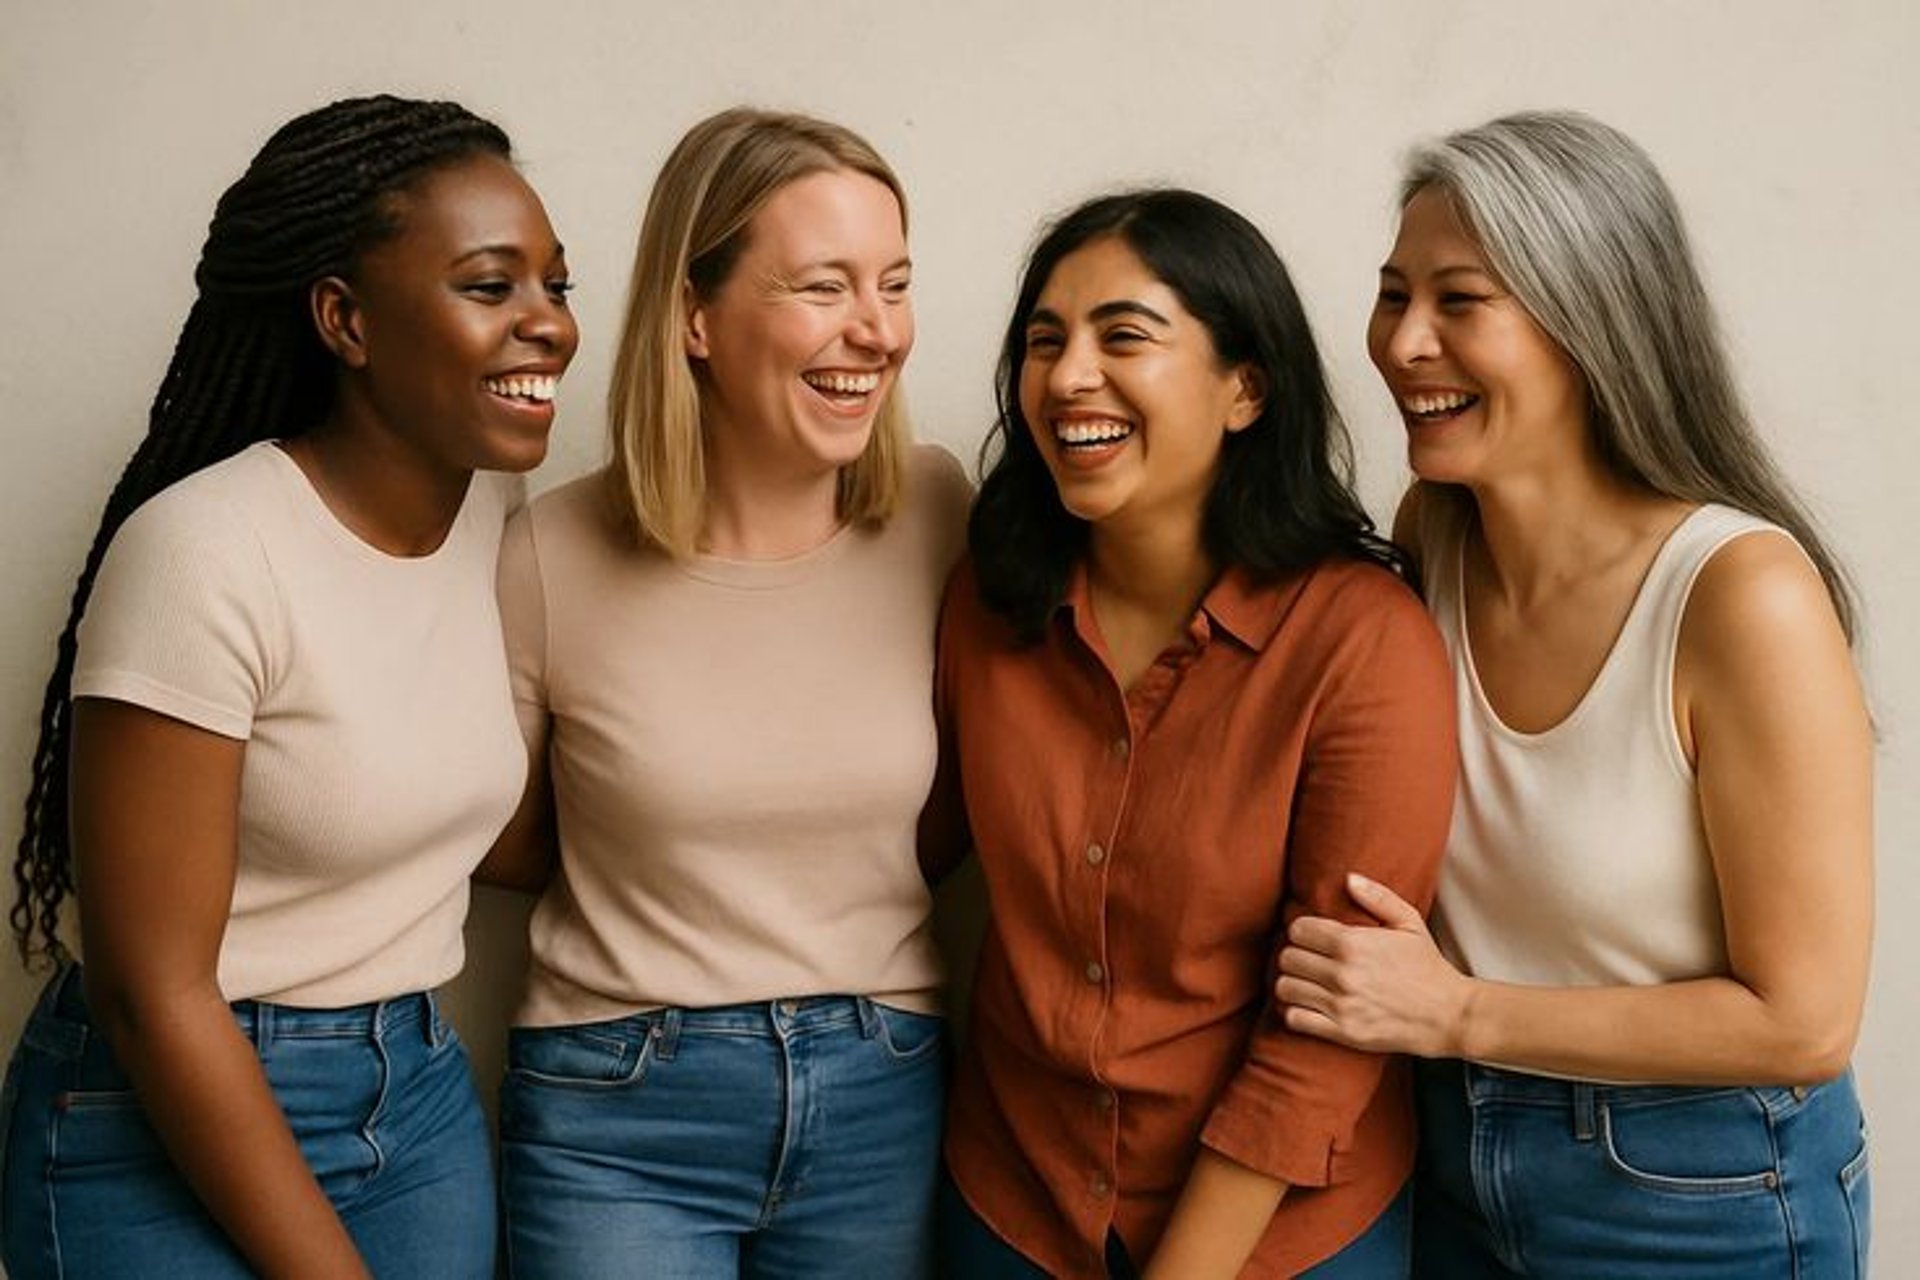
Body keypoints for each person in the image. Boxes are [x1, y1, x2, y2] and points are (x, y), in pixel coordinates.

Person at [1276, 110, 1873, 1276]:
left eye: (1460, 301)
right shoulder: (1432, 537)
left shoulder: (1741, 594)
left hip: (1698, 1188)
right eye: (1394, 294)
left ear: (1589, 323)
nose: (1403, 342)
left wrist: (1455, 1014)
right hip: (1450, 1147)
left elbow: (1802, 1017)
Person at [0, 95, 578, 1279]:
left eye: (555, 287)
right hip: (158, 1101)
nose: (549, 326)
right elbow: (151, 986)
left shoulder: (488, 507)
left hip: (410, 1090)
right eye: (490, 286)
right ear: (345, 320)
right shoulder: (204, 553)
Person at [924, 189, 1457, 1279]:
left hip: (1284, 1230)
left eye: (1124, 335)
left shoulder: (1361, 640)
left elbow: (1331, 1020)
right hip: (1013, 1199)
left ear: (1245, 389)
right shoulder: (987, 598)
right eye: (1044, 340)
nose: (1068, 374)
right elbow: (904, 849)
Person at [491, 107, 970, 1279]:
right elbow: (506, 842)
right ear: (696, 318)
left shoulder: (940, 512)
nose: (877, 330)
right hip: (616, 1109)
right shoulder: (550, 551)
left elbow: (975, 799)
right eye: (823, 285)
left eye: (894, 282)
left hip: (883, 1090)